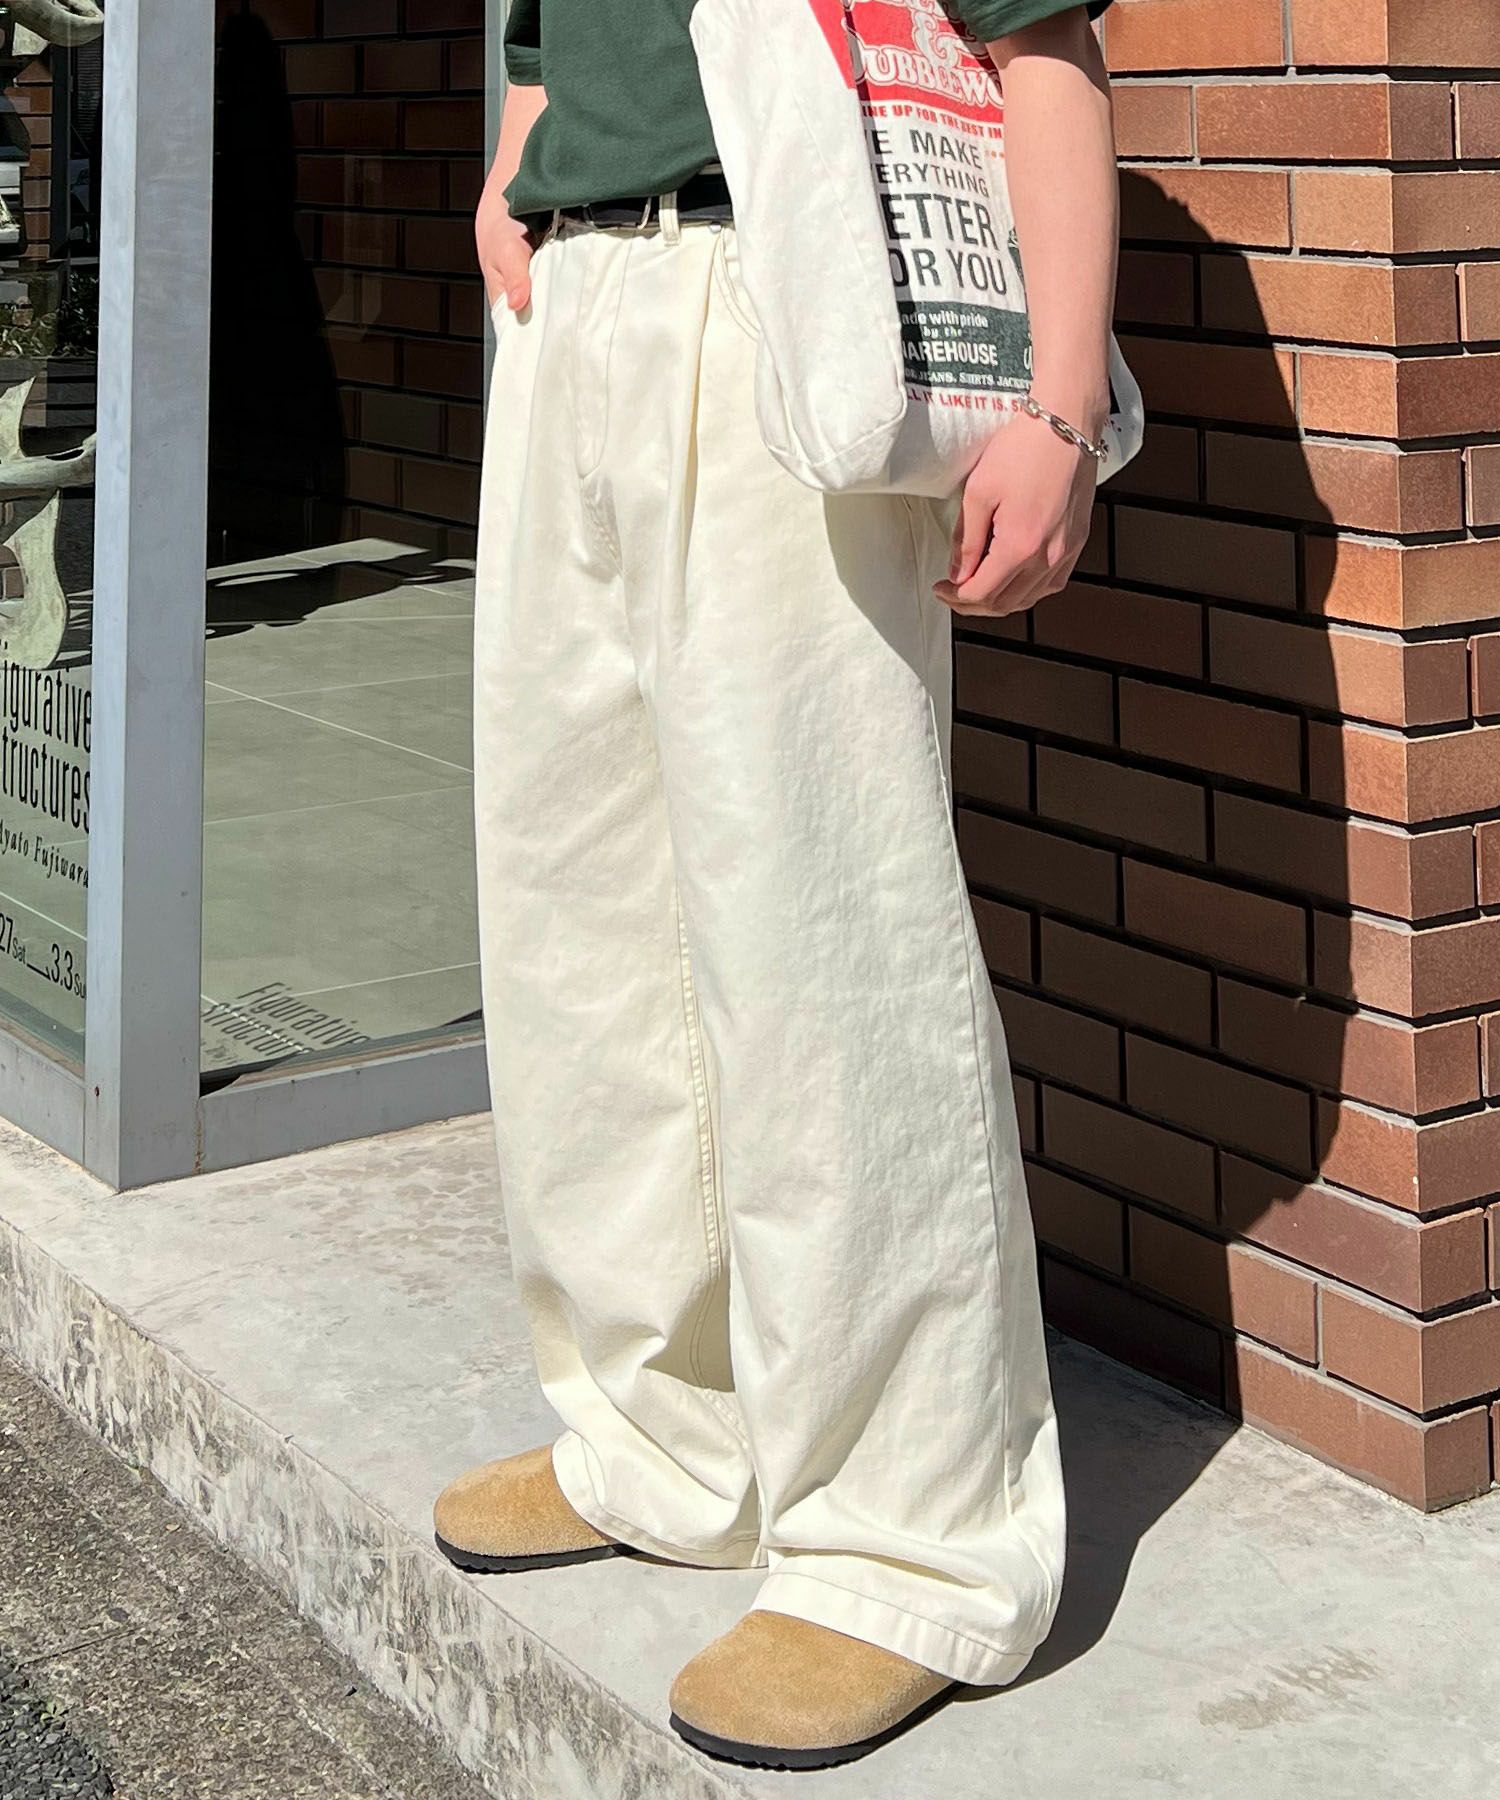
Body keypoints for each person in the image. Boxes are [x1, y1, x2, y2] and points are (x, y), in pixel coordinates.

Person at [434, 0, 1118, 1771]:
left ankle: (909, 1541)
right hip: (576, 310)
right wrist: (518, 182)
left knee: (826, 926)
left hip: (782, 295)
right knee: (581, 913)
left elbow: (1043, 48)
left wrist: (1058, 407)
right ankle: (660, 1437)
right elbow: (539, 41)